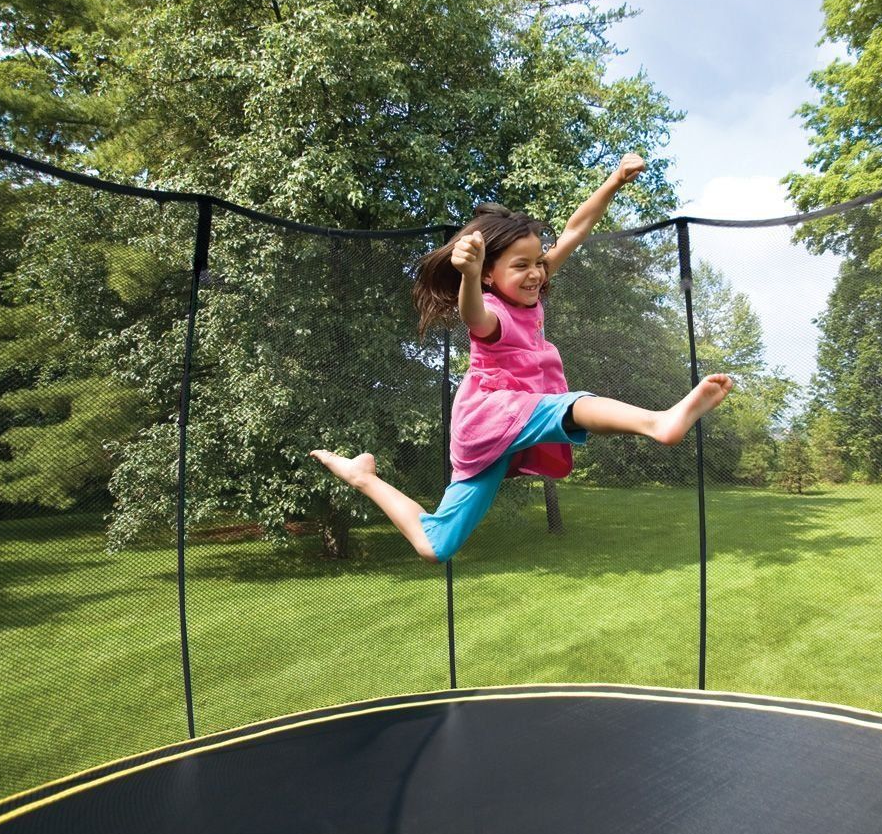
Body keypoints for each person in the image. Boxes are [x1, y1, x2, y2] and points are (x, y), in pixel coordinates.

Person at [310, 153, 732, 562]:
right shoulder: (494, 314)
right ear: (490, 275)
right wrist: (468, 276)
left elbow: (575, 230)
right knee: (566, 409)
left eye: (538, 262)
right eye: (521, 266)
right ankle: (657, 422)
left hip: (507, 425)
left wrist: (614, 181)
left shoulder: (531, 284)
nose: (536, 273)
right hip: (491, 414)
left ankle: (362, 475)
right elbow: (472, 314)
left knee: (433, 545)